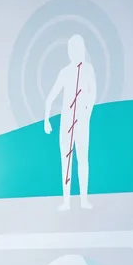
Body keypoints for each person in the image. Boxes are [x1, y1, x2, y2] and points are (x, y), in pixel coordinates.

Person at [43, 34, 98, 211]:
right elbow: (51, 96)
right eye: (73, 49)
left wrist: (88, 113)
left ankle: (83, 200)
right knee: (66, 161)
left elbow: (93, 93)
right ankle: (66, 201)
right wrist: (46, 119)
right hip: (66, 121)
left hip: (82, 120)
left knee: (83, 159)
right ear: (69, 51)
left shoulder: (88, 69)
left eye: (79, 48)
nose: (76, 52)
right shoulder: (65, 72)